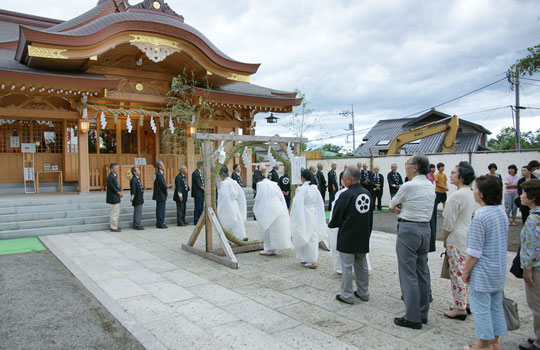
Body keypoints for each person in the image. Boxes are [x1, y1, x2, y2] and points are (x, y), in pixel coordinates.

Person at [462, 175, 508, 350]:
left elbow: (473, 251)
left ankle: (482, 344)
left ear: (481, 194)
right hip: (498, 269)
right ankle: (494, 341)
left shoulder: (480, 216)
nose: (474, 191)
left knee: (481, 309)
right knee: (495, 307)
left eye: (475, 189)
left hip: (483, 271)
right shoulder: (501, 212)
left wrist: (465, 271)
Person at [389, 155, 435, 329]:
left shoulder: (409, 185)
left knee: (408, 273)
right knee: (422, 271)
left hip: (409, 230)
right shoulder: (430, 186)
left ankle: (412, 316)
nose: (406, 168)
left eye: (407, 164)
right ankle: (423, 313)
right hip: (425, 230)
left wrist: (399, 207)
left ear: (415, 168)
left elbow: (393, 203)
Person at [329, 167, 373, 304]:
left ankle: (347, 295)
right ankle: (363, 292)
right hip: (363, 234)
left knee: (347, 266)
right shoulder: (367, 193)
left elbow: (336, 216)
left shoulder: (346, 195)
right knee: (362, 265)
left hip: (348, 235)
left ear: (348, 179)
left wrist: (332, 224)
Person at [441, 161, 476, 320]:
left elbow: (449, 222)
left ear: (461, 176)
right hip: (467, 235)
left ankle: (460, 307)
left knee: (457, 274)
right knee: (465, 272)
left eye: (454, 173)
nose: (451, 175)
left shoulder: (456, 196)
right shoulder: (470, 192)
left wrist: (444, 238)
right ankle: (466, 302)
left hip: (456, 237)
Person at [518, 179, 540, 350]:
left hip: (536, 268)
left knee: (536, 304)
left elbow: (531, 247)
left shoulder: (533, 219)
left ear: (532, 197)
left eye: (524, 193)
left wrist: (527, 269)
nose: (521, 196)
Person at [290, 169, 327, 269]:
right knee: (312, 236)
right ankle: (308, 257)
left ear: (303, 178)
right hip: (312, 213)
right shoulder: (315, 189)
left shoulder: (301, 189)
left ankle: (309, 259)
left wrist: (294, 216)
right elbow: (320, 203)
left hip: (303, 213)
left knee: (304, 234)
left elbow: (297, 204)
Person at [252, 172, 292, 256]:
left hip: (268, 207)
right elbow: (281, 196)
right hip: (278, 206)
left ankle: (268, 248)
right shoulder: (273, 184)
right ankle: (273, 248)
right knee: (275, 230)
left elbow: (260, 198)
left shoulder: (261, 185)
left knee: (267, 229)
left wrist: (257, 209)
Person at [217, 166, 248, 241]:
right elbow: (241, 194)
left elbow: (223, 196)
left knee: (227, 219)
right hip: (235, 203)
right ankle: (241, 235)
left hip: (227, 203)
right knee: (238, 220)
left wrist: (220, 206)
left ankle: (228, 238)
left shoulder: (224, 184)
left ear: (222, 175)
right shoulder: (234, 182)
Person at [106, 163, 123, 232]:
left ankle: (115, 225)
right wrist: (118, 192)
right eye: (115, 168)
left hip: (116, 196)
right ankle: (113, 227)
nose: (117, 169)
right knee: (114, 212)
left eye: (117, 168)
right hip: (113, 196)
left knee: (116, 212)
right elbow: (112, 187)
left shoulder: (114, 176)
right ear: (111, 169)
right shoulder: (110, 177)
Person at [153, 161, 168, 229]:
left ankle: (161, 222)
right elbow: (163, 185)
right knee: (160, 209)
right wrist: (166, 191)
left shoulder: (158, 174)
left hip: (160, 194)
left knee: (161, 209)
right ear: (160, 167)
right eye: (163, 165)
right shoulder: (159, 174)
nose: (164, 166)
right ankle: (160, 223)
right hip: (160, 194)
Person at [192, 161, 205, 225]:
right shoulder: (196, 173)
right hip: (197, 193)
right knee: (198, 207)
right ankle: (196, 220)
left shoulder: (200, 173)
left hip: (201, 193)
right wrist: (205, 190)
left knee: (201, 207)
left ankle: (201, 220)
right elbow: (199, 184)